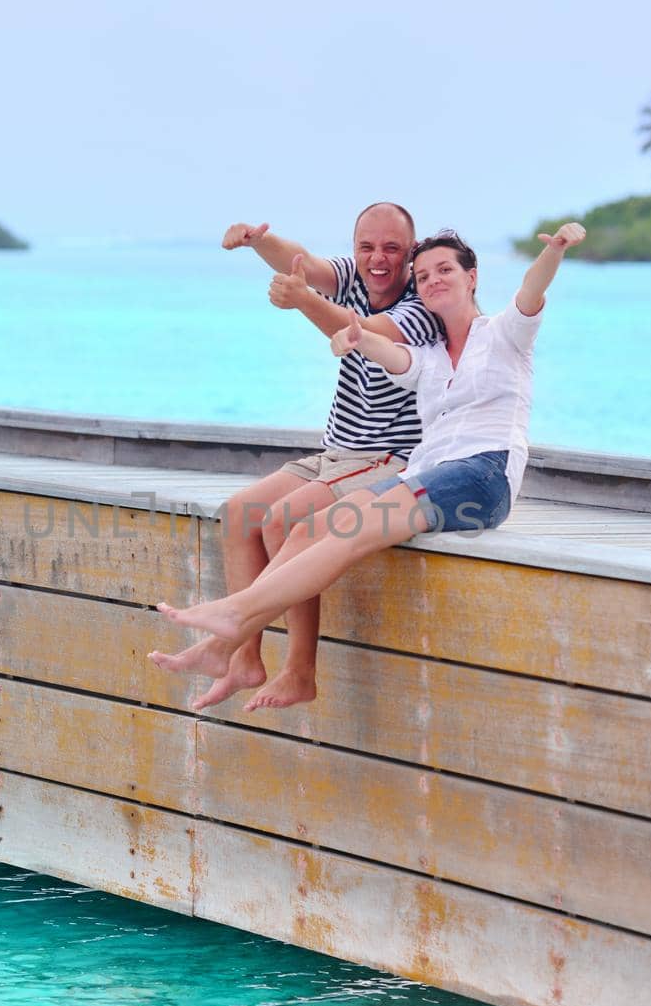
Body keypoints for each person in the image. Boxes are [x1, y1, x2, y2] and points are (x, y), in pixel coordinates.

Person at [152, 222, 587, 677]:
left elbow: (531, 290)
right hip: (426, 477)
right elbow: (390, 352)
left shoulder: (505, 334)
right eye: (422, 276)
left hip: (482, 475)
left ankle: (236, 615)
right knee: (316, 526)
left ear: (471, 277)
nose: (433, 280)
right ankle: (231, 644)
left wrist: (555, 251)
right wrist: (356, 338)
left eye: (445, 270)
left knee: (353, 525)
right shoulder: (430, 358)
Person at [148, 203, 441, 713]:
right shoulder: (355, 273)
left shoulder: (420, 306)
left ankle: (297, 668)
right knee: (240, 513)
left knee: (285, 518)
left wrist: (303, 299)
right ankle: (243, 658)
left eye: (392, 249)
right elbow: (307, 263)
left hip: (389, 458)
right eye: (366, 247)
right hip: (338, 452)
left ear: (411, 253)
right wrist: (259, 242)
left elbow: (357, 331)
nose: (378, 259)